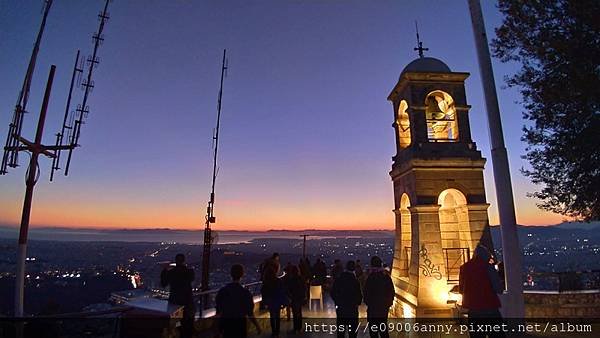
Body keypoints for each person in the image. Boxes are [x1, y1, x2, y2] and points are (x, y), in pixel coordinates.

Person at [459, 245, 505, 338]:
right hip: (490, 310)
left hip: (473, 311)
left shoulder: (464, 268)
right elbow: (498, 288)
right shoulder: (488, 267)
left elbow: (461, 289)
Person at [216, 264, 261, 338]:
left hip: (226, 324)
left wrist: (217, 330)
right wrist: (257, 326)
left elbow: (218, 311)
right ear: (242, 274)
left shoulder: (223, 291)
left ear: (231, 274)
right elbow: (250, 312)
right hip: (240, 324)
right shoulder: (245, 293)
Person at [160, 253, 195, 338]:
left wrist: (165, 269)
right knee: (187, 326)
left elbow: (163, 283)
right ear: (184, 261)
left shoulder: (171, 273)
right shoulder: (189, 272)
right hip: (187, 302)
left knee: (173, 325)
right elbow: (192, 279)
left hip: (175, 303)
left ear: (175, 261)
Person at [363, 256, 394, 338]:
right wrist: (388, 304)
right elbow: (391, 291)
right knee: (383, 330)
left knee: (373, 332)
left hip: (373, 309)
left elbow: (366, 293)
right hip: (383, 308)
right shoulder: (386, 277)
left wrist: (369, 303)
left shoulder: (370, 278)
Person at [330, 260, 362, 338]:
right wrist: (356, 303)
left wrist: (337, 302)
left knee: (341, 332)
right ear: (354, 269)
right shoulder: (355, 281)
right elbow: (359, 296)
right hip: (352, 310)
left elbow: (332, 293)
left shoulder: (339, 279)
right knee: (353, 333)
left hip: (341, 309)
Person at [261, 266, 288, 337]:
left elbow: (264, 293)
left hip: (270, 302)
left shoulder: (266, 282)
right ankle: (277, 332)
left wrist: (265, 302)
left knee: (272, 317)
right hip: (277, 301)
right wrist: (283, 302)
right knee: (277, 317)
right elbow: (282, 291)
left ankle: (273, 332)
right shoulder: (278, 281)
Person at [284, 265, 306, 334]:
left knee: (295, 313)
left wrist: (290, 296)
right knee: (299, 312)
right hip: (300, 298)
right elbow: (304, 288)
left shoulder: (291, 280)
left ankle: (295, 328)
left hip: (293, 298)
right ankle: (299, 328)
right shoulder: (301, 279)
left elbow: (288, 290)